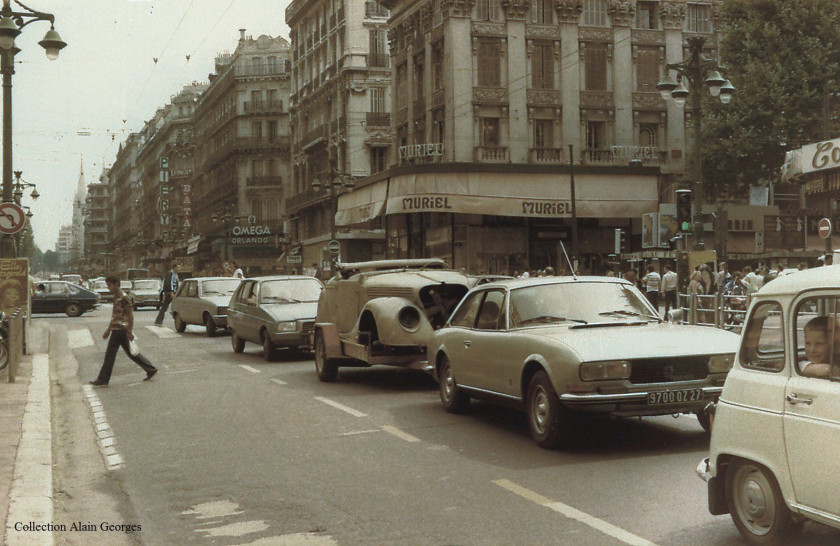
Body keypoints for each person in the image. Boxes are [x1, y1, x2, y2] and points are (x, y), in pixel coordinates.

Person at [90, 275, 158, 387]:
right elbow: (115, 316)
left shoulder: (123, 297)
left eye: (110, 285)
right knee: (131, 353)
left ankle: (103, 380)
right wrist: (108, 329)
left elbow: (130, 315)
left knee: (110, 355)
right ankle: (150, 369)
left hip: (121, 330)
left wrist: (130, 331)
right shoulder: (116, 296)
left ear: (117, 284)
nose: (108, 288)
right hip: (117, 328)